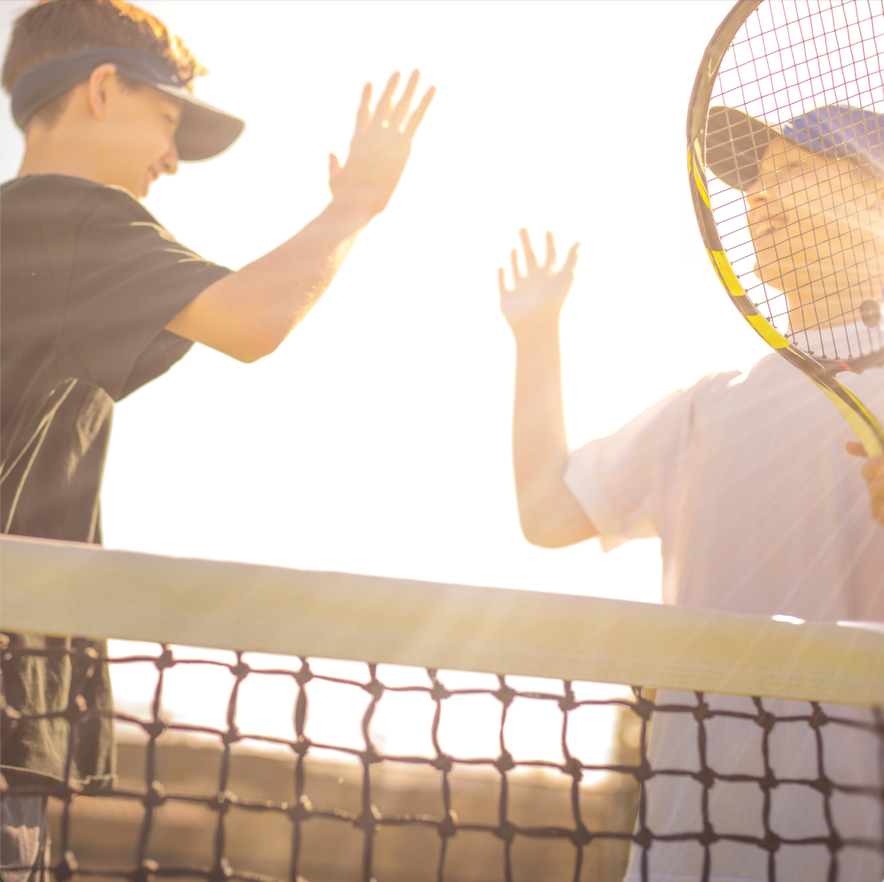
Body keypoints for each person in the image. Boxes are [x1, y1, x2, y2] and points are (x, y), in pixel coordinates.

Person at [0, 0, 433, 876]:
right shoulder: (69, 215)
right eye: (167, 121)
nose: (170, 158)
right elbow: (251, 319)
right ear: (101, 87)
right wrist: (356, 207)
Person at [498, 106, 884, 880]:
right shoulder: (710, 404)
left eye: (797, 171)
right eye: (757, 176)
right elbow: (548, 512)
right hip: (685, 850)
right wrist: (537, 336)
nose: (759, 197)